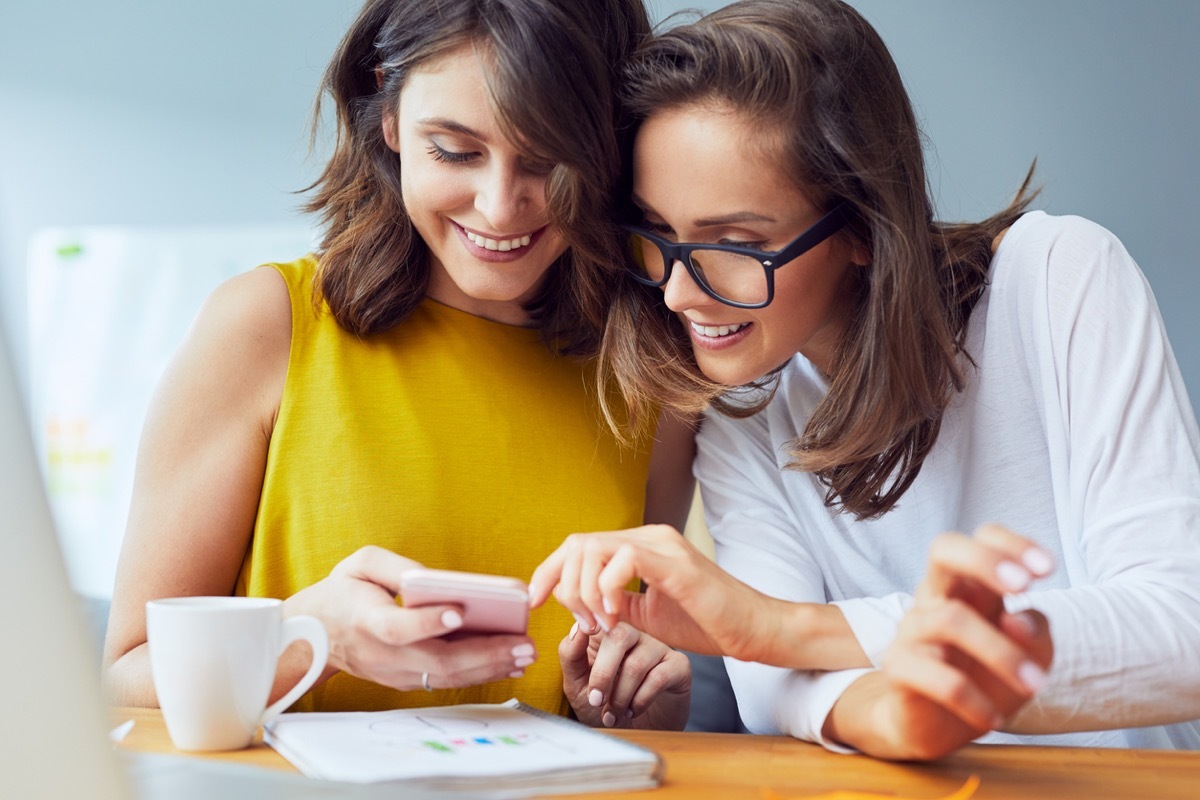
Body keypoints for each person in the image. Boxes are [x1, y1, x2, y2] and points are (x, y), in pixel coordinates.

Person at [530, 0, 1200, 759]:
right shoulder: (743, 406)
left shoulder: (1059, 281)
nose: (680, 294)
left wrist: (784, 629)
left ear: (862, 228)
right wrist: (897, 715)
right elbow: (771, 686)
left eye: (737, 243)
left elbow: (1183, 630)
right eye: (658, 236)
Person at [102, 0, 694, 732]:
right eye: (455, 149)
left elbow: (608, 688)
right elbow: (125, 672)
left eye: (548, 159)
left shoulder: (651, 384)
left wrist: (639, 699)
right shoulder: (266, 325)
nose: (500, 206)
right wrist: (307, 640)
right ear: (388, 112)